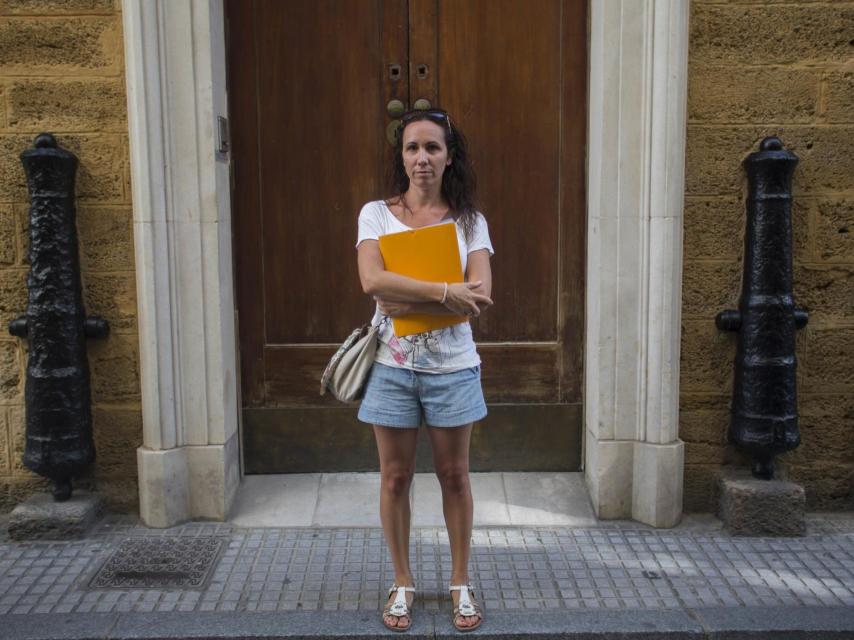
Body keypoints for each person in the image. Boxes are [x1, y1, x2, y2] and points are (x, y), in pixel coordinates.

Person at [355, 108, 494, 632]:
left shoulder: (470, 222)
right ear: (402, 156)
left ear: (449, 156)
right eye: (412, 148)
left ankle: (460, 582)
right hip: (390, 367)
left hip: (453, 369)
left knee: (454, 476)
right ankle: (402, 582)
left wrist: (408, 297)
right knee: (395, 478)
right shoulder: (376, 214)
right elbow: (372, 282)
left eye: (433, 147)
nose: (422, 158)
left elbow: (479, 296)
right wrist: (444, 292)